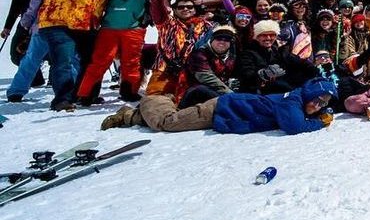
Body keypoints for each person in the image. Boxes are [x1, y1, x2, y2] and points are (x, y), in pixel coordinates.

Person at [5, 0, 114, 111]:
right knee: (61, 61)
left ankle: (84, 95)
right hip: (59, 23)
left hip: (86, 26)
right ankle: (62, 99)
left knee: (90, 60)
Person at [101, 76, 337, 135]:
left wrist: (323, 112)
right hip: (220, 109)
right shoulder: (292, 101)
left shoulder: (299, 101)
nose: (317, 105)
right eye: (316, 99)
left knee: (175, 121)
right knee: (167, 123)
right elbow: (294, 126)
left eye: (323, 104)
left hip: (227, 114)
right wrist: (319, 123)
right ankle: (156, 100)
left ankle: (130, 116)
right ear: (309, 93)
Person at [76, 0, 152, 104]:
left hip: (134, 29)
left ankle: (129, 92)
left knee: (131, 62)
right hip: (109, 28)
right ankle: (86, 95)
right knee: (100, 61)